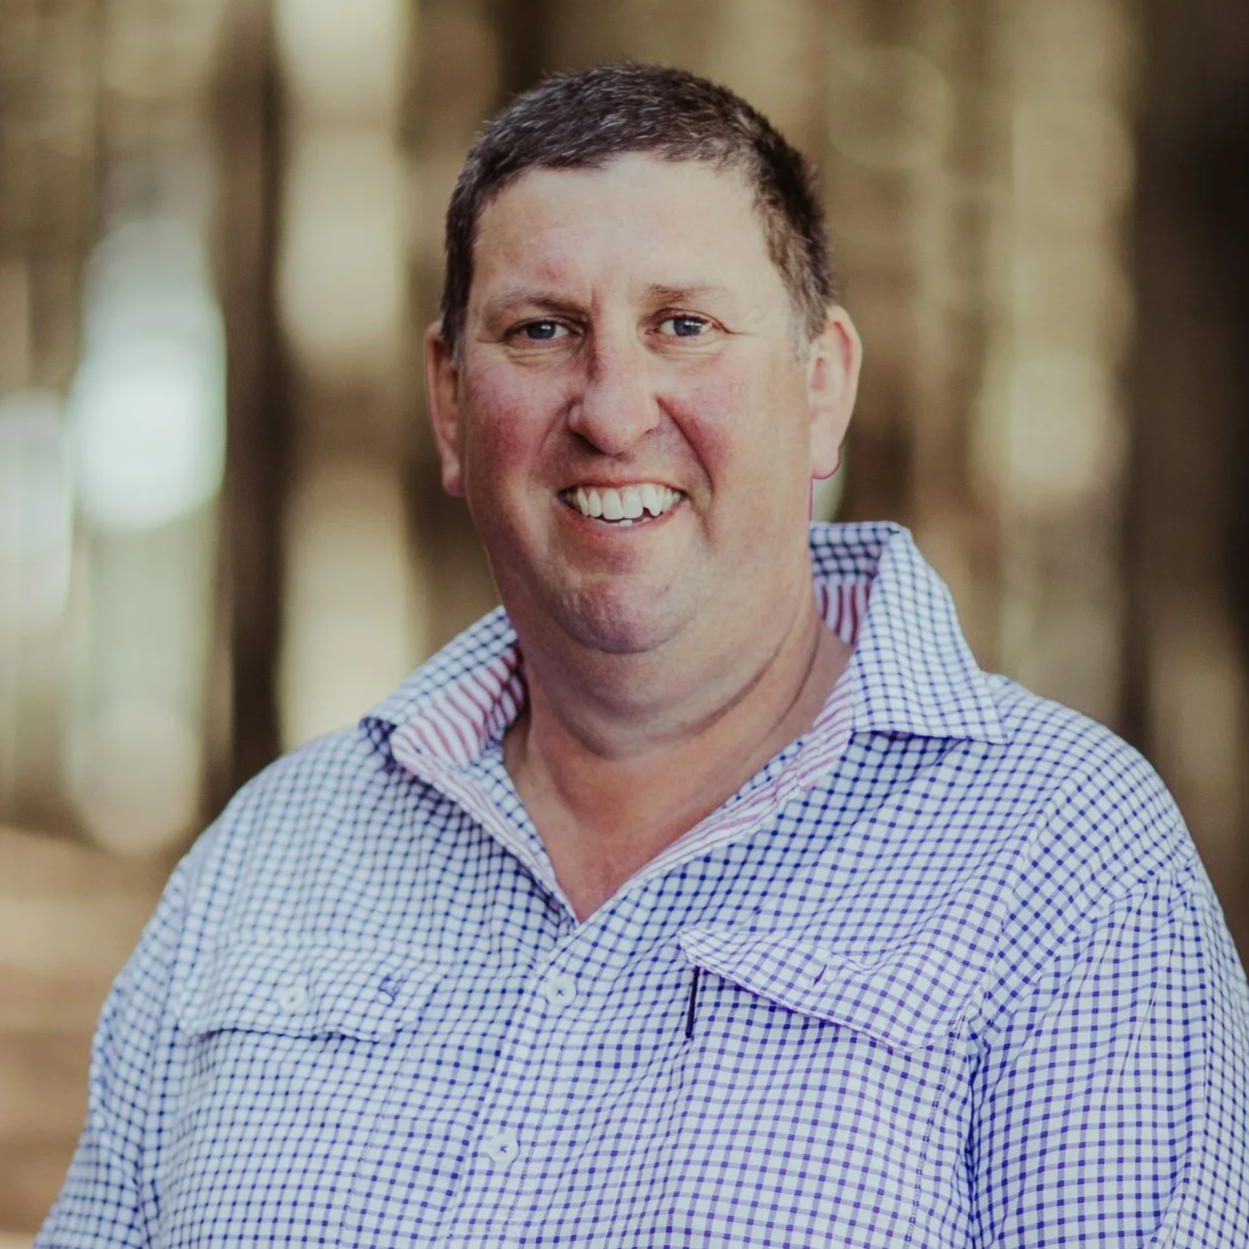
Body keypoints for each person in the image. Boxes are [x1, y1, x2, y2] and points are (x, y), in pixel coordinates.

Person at [38, 63, 1249, 1248]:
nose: (613, 411)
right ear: (450, 402)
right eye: (542, 330)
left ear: (820, 388)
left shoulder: (1065, 860)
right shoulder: (268, 856)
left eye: (684, 325)